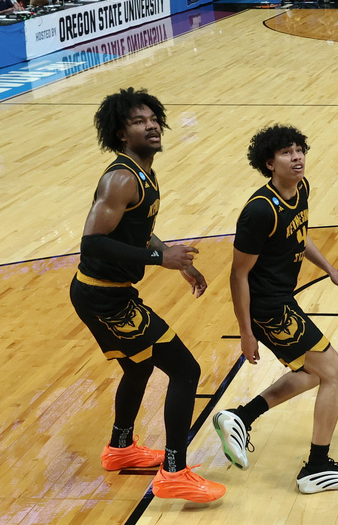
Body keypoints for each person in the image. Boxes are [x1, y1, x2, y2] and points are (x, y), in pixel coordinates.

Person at [70, 88, 225, 503]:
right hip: (104, 297)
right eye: (139, 121)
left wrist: (176, 258)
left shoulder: (143, 172)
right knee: (186, 370)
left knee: (138, 368)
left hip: (109, 293)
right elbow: (92, 245)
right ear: (121, 133)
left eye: (153, 117)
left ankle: (120, 450)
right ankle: (174, 472)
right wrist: (159, 258)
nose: (151, 124)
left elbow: (136, 230)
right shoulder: (120, 177)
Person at [212, 124, 338, 494]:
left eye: (299, 150)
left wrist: (330, 269)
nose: (297, 157)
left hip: (282, 300)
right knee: (335, 372)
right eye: (286, 153)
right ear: (269, 163)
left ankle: (240, 417)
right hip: (269, 308)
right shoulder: (259, 212)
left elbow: (300, 233)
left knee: (312, 374)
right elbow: (238, 275)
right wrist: (246, 332)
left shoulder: (301, 188)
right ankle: (316, 466)